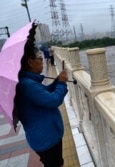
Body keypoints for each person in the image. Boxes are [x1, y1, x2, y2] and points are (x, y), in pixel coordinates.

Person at [12, 23, 68, 167]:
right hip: (46, 138)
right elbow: (53, 100)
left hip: (44, 136)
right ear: (30, 62)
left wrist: (56, 82)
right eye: (40, 59)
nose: (42, 63)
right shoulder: (27, 85)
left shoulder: (28, 82)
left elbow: (43, 94)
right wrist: (61, 83)